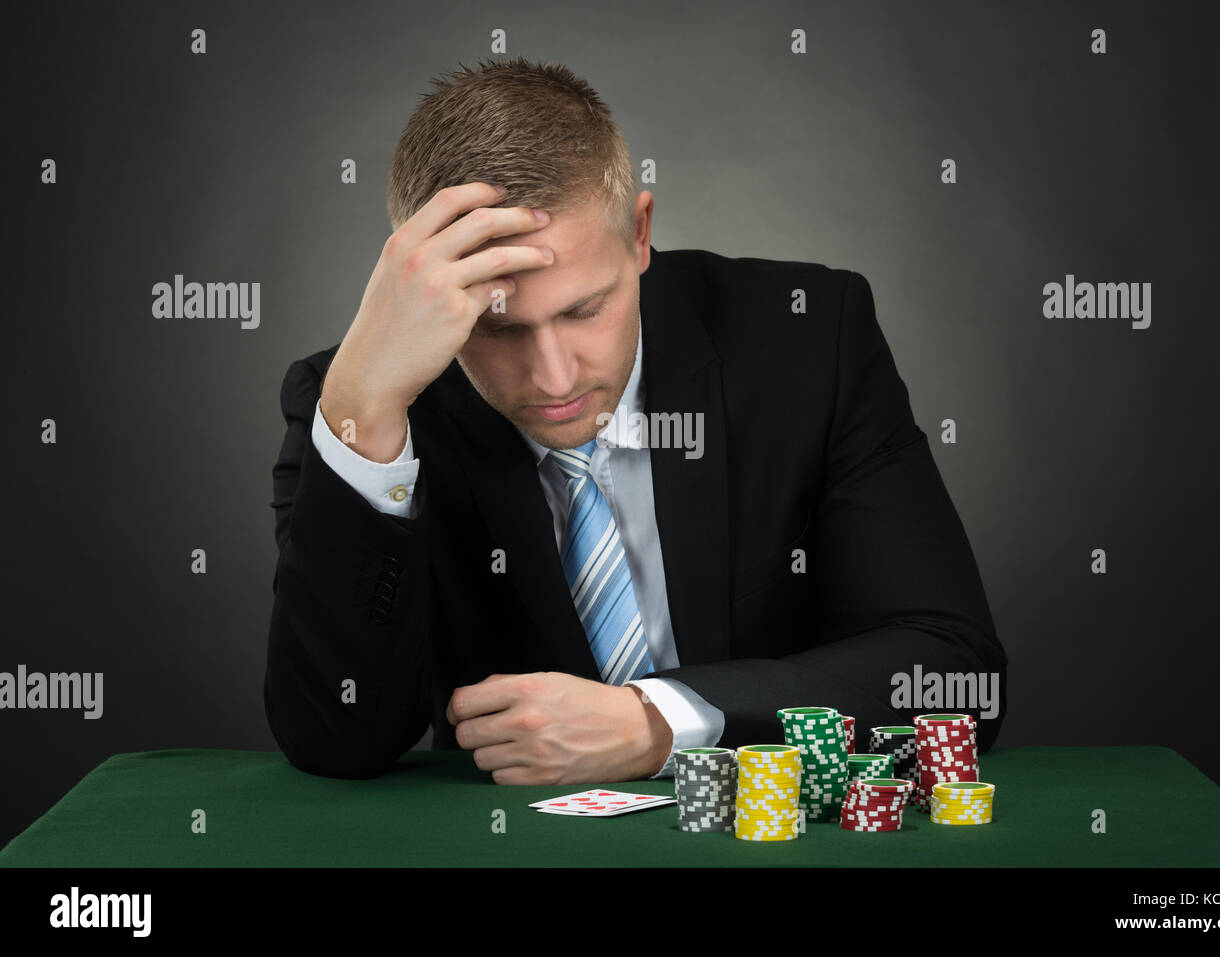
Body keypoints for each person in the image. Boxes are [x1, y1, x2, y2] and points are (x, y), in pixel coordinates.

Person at [264, 57, 1007, 786]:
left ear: (640, 232)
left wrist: (658, 721)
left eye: (585, 309)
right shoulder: (360, 405)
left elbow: (953, 672)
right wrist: (364, 416)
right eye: (496, 329)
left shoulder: (811, 339)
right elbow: (336, 738)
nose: (554, 378)